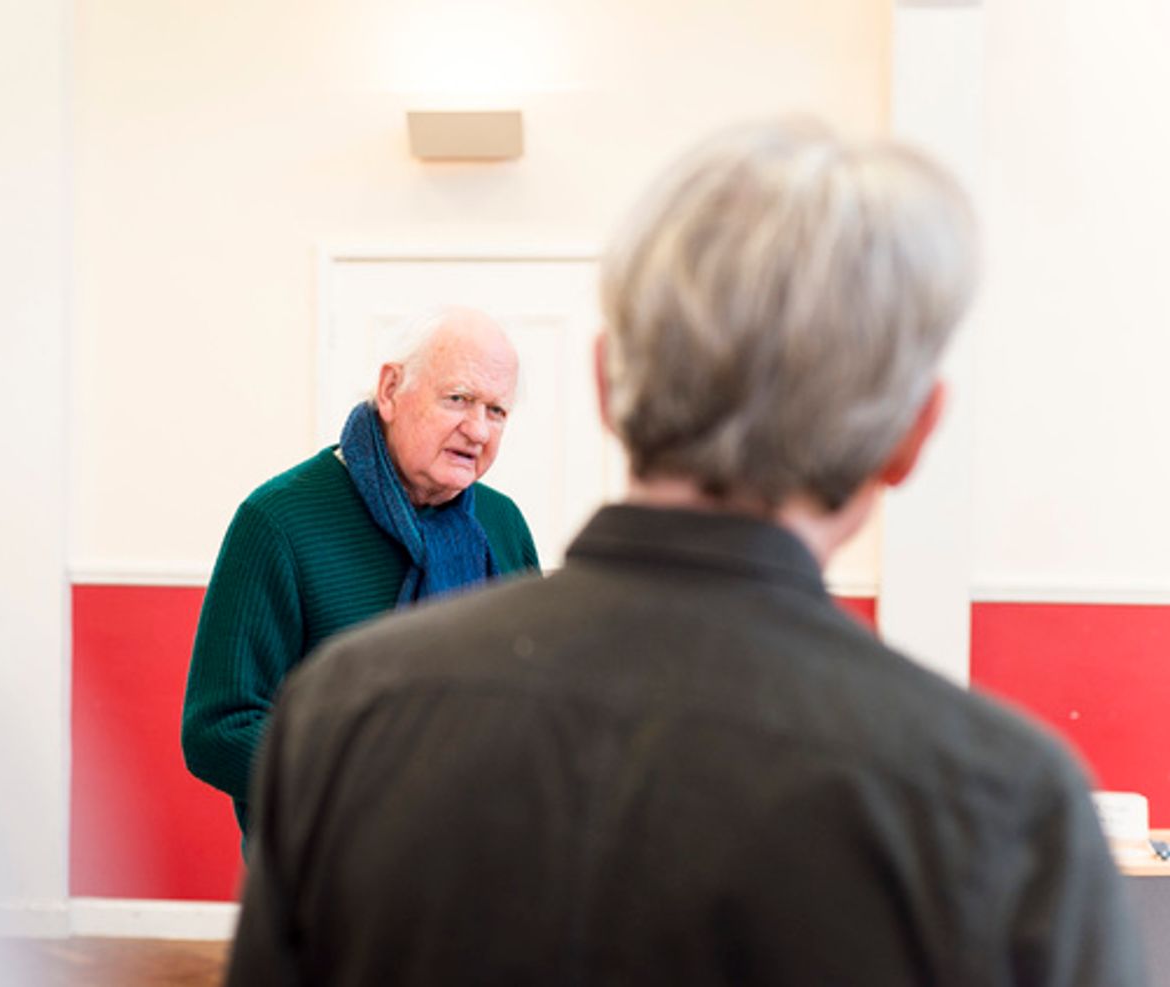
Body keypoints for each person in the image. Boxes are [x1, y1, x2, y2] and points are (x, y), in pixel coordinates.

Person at [227, 122, 1145, 986]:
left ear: (605, 387)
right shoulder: (1013, 815)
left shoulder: (342, 718)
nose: (476, 429)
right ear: (912, 436)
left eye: (495, 407)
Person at [182, 306, 539, 834]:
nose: (478, 429)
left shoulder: (502, 523)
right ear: (391, 390)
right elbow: (219, 728)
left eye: (497, 410)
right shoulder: (278, 520)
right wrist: (373, 785)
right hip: (330, 874)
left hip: (479, 866)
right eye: (458, 399)